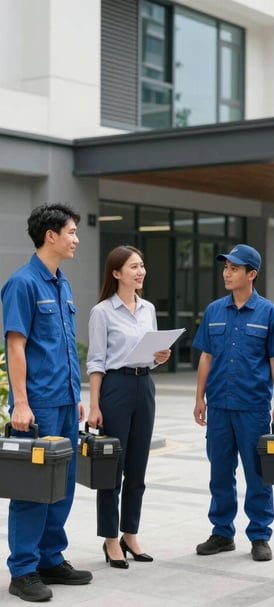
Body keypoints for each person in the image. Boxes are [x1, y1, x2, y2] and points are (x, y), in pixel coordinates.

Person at [1, 203, 93, 603]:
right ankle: (22, 570)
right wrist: (20, 402)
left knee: (63, 484)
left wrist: (76, 396)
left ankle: (50, 558)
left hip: (64, 401)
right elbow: (15, 346)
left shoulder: (62, 284)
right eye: (71, 232)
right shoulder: (22, 284)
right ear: (50, 235)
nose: (76, 239)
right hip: (36, 404)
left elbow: (65, 347)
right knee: (34, 488)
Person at [193, 244, 274, 561]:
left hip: (252, 407)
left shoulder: (270, 313)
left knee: (258, 474)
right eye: (226, 267)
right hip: (219, 406)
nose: (227, 273)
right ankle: (222, 532)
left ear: (251, 274)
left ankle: (260, 535)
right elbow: (205, 357)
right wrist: (199, 397)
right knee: (220, 473)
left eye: (234, 268)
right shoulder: (213, 311)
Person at [87, 245, 171, 569]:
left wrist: (160, 357)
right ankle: (110, 539)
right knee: (113, 467)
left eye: (142, 265)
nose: (140, 272)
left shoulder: (148, 308)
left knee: (138, 467)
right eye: (134, 267)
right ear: (116, 273)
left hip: (144, 385)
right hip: (116, 388)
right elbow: (96, 361)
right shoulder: (103, 312)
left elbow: (150, 351)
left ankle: (130, 533)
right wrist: (94, 405)